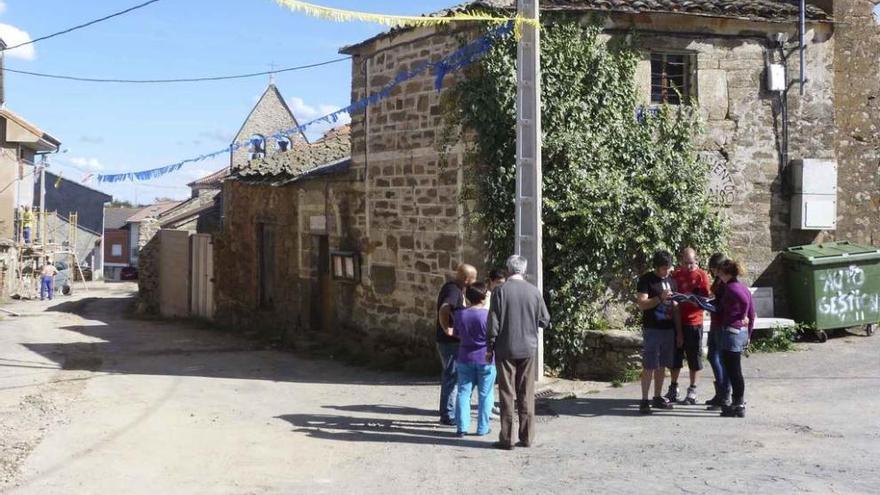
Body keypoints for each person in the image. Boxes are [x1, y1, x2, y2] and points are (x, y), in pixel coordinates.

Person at [487, 255, 550, 450]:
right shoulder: (534, 291)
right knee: (526, 392)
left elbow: (493, 323)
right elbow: (544, 320)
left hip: (505, 347)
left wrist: (490, 345)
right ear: (524, 270)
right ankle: (527, 436)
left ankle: (507, 438)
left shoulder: (500, 292)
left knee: (507, 393)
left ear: (508, 269)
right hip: (528, 347)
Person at [636, 250, 682, 415]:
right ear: (656, 267)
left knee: (662, 365)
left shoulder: (672, 281)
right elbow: (642, 304)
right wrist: (659, 298)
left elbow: (676, 308)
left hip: (668, 329)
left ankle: (657, 396)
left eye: (668, 267)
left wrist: (679, 332)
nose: (667, 271)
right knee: (649, 365)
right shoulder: (646, 280)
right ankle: (644, 400)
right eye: (664, 268)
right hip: (652, 328)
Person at [451, 282, 496, 437]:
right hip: (486, 357)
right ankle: (482, 427)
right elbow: (494, 335)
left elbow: (456, 333)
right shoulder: (487, 315)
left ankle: (461, 427)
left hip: (464, 356)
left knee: (463, 392)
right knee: (485, 394)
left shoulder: (460, 314)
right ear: (483, 298)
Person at [668, 247, 711, 404]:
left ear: (696, 261)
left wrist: (693, 300)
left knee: (694, 357)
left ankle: (693, 390)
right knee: (675, 357)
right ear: (681, 262)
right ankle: (673, 387)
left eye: (691, 263)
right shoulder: (676, 274)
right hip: (677, 321)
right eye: (685, 263)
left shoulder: (701, 275)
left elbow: (706, 299)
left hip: (694, 322)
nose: (688, 266)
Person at [436, 263, 478, 426]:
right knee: (451, 376)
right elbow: (445, 308)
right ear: (467, 279)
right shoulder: (453, 290)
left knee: (451, 375)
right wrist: (448, 329)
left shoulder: (456, 289)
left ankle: (448, 411)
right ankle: (448, 414)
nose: (474, 281)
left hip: (449, 341)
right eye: (473, 278)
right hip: (449, 342)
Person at [716, 259, 755, 418]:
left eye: (719, 272)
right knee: (735, 369)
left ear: (726, 273)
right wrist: (749, 333)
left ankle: (738, 404)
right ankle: (737, 403)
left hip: (732, 332)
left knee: (734, 370)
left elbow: (746, 304)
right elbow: (752, 311)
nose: (717, 274)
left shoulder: (732, 288)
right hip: (740, 332)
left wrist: (742, 315)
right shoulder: (742, 286)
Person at [704, 253, 730, 410]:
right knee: (712, 356)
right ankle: (720, 392)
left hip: (722, 325)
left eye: (713, 269)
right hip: (715, 323)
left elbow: (725, 304)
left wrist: (709, 303)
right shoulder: (718, 280)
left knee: (719, 358)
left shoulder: (726, 282)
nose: (712, 272)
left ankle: (724, 394)